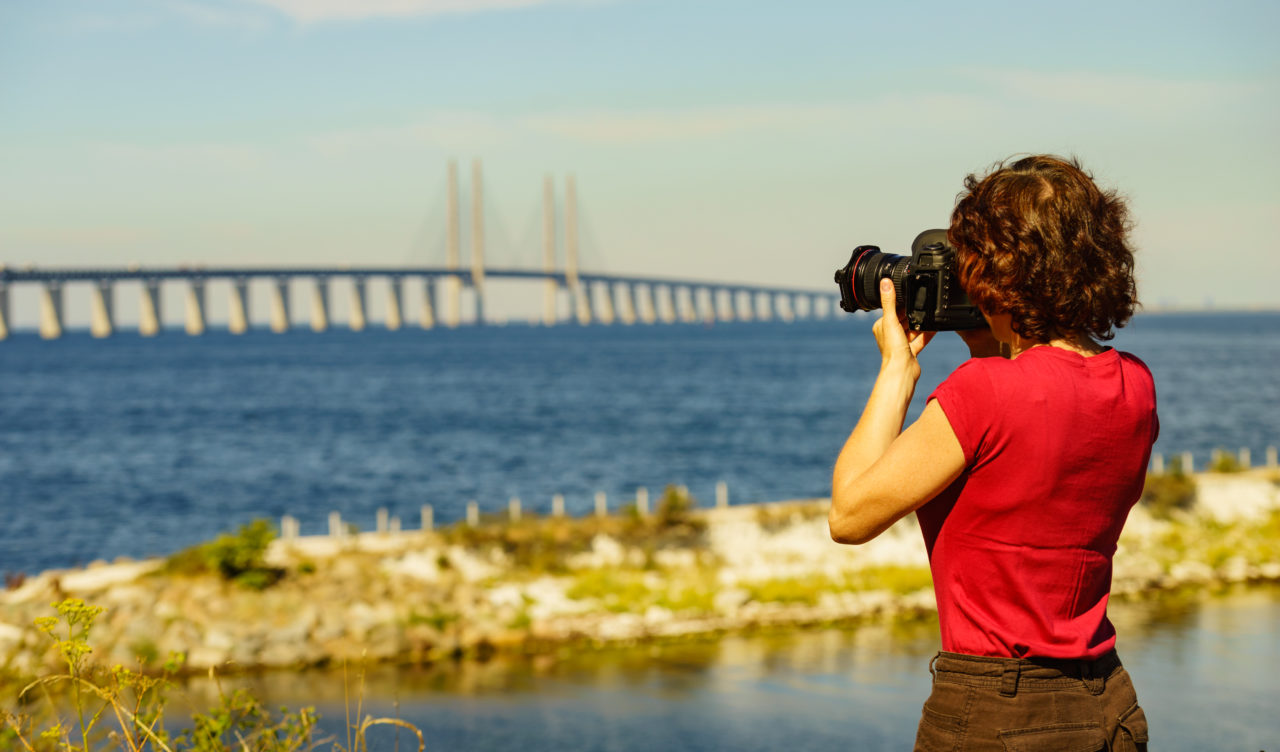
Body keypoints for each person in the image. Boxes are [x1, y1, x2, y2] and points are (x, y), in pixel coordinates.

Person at [828, 155, 1156, 751]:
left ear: (1000, 269)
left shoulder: (982, 394)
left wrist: (897, 372)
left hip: (996, 714)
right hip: (1106, 700)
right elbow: (1023, 441)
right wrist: (993, 340)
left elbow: (850, 516)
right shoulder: (1135, 384)